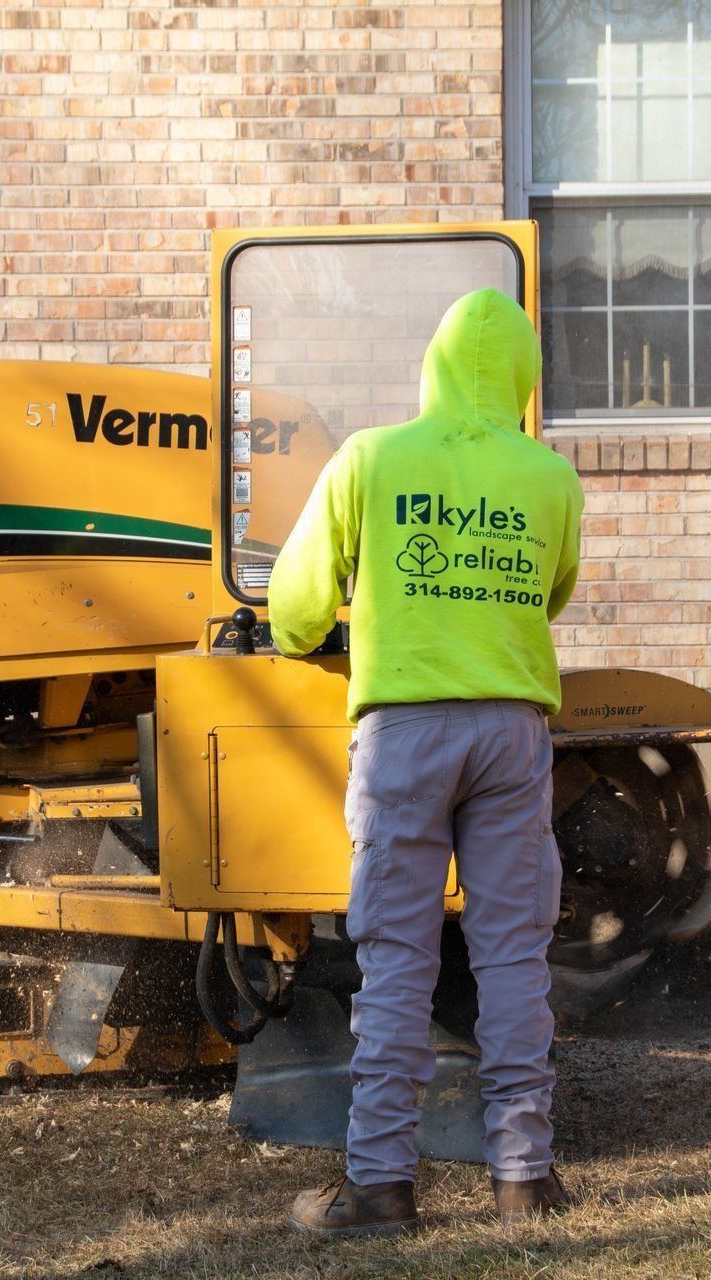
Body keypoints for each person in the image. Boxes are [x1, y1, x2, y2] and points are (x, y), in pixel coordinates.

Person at [267, 287, 585, 1237]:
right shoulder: (551, 476)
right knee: (513, 957)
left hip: (404, 734)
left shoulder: (369, 458)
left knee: (399, 959)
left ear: (433, 367)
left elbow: (292, 612)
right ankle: (526, 1177)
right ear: (523, 380)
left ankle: (380, 1187)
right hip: (512, 730)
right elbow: (552, 594)